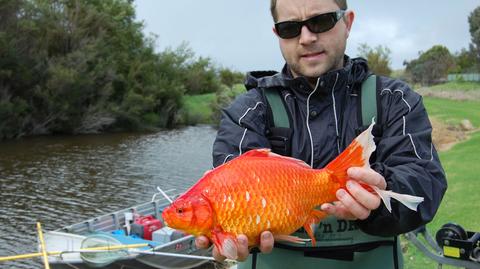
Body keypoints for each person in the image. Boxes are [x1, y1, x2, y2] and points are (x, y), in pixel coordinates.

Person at [196, 0, 447, 268]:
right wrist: (226, 236)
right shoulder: (247, 111)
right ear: (277, 34)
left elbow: (425, 184)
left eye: (321, 21)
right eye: (290, 28)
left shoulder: (394, 100)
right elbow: (229, 187)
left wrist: (382, 192)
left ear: (347, 23)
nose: (306, 37)